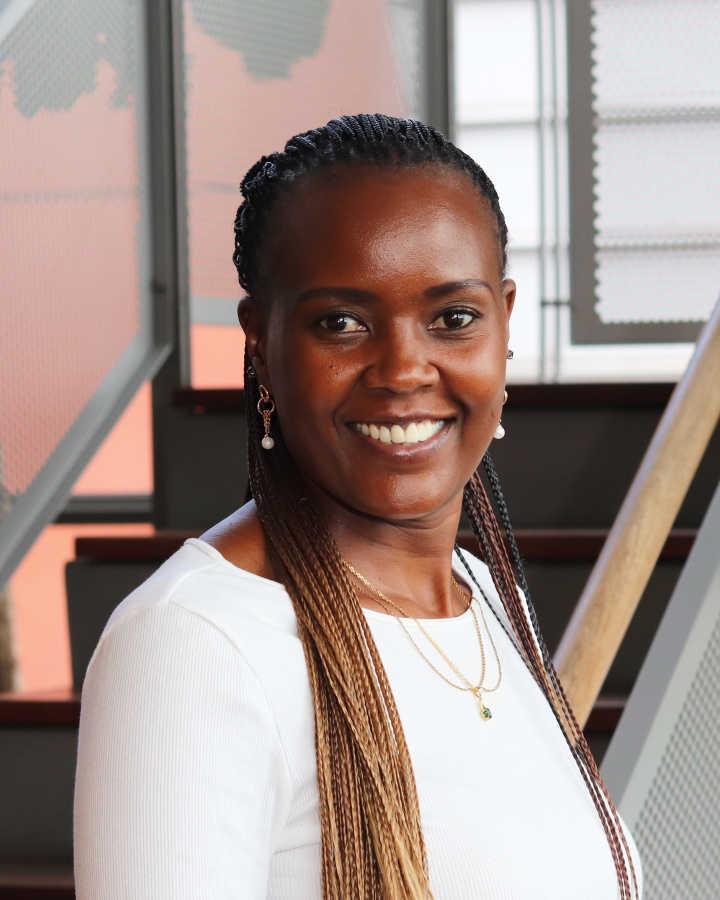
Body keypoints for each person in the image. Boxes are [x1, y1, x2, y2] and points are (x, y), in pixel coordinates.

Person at [74, 114, 641, 899]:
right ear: (260, 341)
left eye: (453, 318)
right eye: (340, 323)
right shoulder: (197, 641)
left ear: (504, 323)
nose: (404, 370)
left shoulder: (484, 598)